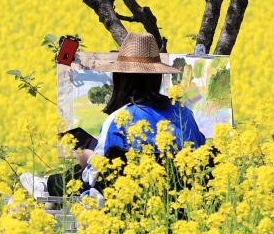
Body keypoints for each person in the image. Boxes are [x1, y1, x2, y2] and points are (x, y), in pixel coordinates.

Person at [70, 32, 205, 205]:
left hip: (129, 206)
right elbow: (200, 159)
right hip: (180, 205)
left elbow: (93, 177)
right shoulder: (184, 114)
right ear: (157, 76)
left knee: (72, 175)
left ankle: (45, 185)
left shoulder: (118, 119)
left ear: (120, 78)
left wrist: (87, 158)